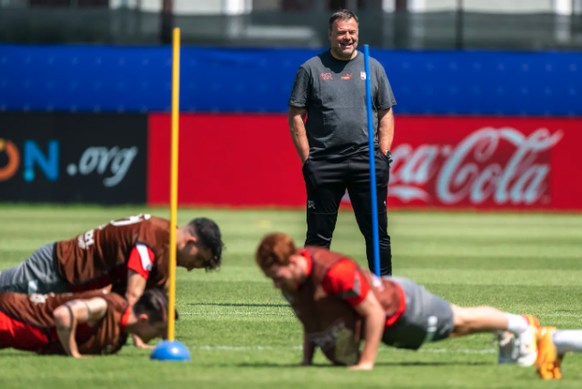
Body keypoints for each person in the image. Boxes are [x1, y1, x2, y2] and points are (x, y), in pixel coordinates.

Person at [255, 232, 541, 371]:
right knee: (457, 324)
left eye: (276, 275)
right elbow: (310, 317)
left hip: (402, 307)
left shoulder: (333, 271)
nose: (275, 283)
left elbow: (375, 313)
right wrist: (306, 362)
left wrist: (366, 363)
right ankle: (505, 328)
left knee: (459, 322)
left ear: (292, 260)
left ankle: (521, 325)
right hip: (391, 318)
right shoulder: (293, 282)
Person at [0, 213, 223, 348]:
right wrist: (140, 337)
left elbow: (158, 293)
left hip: (68, 277)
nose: (192, 268)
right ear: (191, 242)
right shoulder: (152, 241)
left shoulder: (164, 237)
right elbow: (134, 294)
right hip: (54, 269)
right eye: (198, 260)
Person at [287, 9, 396, 276]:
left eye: (352, 32)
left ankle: (385, 289)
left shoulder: (373, 67)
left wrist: (383, 154)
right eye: (342, 33)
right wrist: (307, 160)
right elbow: (296, 116)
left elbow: (386, 113)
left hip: (366, 161)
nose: (347, 38)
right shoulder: (311, 68)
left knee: (377, 234)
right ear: (330, 34)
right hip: (324, 161)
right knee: (318, 236)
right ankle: (311, 290)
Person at [0, 288, 174, 358]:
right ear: (143, 320)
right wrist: (74, 354)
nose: (160, 336)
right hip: (9, 316)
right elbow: (63, 314)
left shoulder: (120, 335)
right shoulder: (105, 307)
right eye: (159, 329)